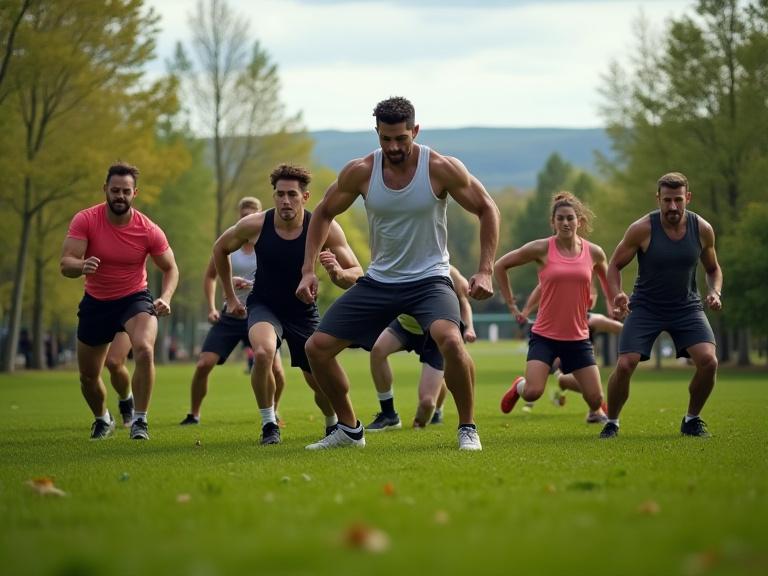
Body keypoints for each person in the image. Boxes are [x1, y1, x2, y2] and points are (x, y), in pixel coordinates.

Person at [297, 96, 499, 451]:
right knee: (317, 348)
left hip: (430, 279)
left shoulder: (439, 168)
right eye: (385, 139)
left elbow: (486, 208)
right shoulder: (361, 171)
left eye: (401, 139)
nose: (393, 147)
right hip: (380, 281)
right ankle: (349, 429)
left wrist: (485, 270)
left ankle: (467, 427)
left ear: (415, 131)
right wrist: (307, 271)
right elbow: (324, 213)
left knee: (450, 340)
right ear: (377, 133)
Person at [213, 163, 363, 445]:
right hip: (264, 305)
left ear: (305, 198)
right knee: (263, 352)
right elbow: (220, 249)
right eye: (280, 194)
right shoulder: (255, 225)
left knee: (319, 381)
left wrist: (337, 273)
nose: (285, 200)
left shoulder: (325, 228)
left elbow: (357, 272)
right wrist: (230, 297)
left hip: (302, 311)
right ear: (273, 196)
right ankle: (269, 423)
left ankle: (333, 423)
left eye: (292, 194)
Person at [60, 162, 179, 440]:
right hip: (96, 302)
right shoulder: (86, 220)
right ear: (105, 189)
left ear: (134, 193)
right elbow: (65, 264)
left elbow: (171, 268)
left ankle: (140, 420)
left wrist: (166, 297)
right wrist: (81, 266)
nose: (120, 196)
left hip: (134, 299)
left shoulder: (148, 229)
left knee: (144, 351)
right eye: (115, 190)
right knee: (88, 377)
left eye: (126, 191)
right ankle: (103, 418)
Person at [599, 172, 723, 439]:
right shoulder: (642, 229)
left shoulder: (702, 229)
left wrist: (715, 291)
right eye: (667, 200)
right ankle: (612, 422)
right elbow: (614, 266)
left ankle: (692, 419)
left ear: (687, 197)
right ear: (658, 199)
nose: (673, 207)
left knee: (709, 362)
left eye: (678, 200)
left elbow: (713, 268)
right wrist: (617, 294)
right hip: (646, 307)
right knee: (624, 365)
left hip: (687, 308)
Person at [495, 192, 612, 424]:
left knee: (596, 397)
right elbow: (501, 265)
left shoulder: (594, 253)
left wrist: (613, 301)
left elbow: (608, 281)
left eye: (570, 218)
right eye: (560, 218)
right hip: (545, 336)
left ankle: (593, 412)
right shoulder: (542, 249)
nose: (566, 223)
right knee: (532, 392)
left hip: (578, 338)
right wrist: (511, 304)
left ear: (580, 221)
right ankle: (518, 386)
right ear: (553, 222)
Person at [179, 196, 287, 426]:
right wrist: (211, 307)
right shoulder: (230, 244)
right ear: (239, 217)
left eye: (252, 215)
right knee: (203, 364)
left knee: (276, 369)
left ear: (260, 215)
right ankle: (194, 414)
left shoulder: (268, 242)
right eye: (243, 215)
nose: (248, 219)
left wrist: (252, 285)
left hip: (261, 315)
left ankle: (273, 412)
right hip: (231, 315)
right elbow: (210, 276)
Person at [367, 265, 477, 430]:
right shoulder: (402, 261)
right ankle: (389, 414)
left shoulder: (447, 270)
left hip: (434, 333)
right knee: (378, 351)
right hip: (406, 326)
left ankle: (436, 410)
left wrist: (469, 328)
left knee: (426, 404)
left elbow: (463, 302)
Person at [516, 279, 622, 420]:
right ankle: (526, 388)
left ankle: (594, 410)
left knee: (594, 394)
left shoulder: (594, 319)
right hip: (563, 366)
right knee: (540, 388)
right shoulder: (559, 317)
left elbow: (621, 329)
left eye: (592, 294)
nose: (590, 298)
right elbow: (542, 286)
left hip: (581, 362)